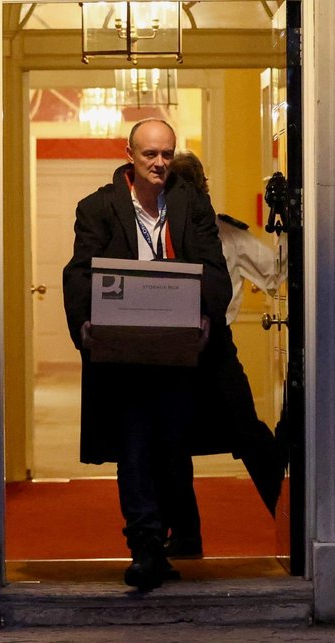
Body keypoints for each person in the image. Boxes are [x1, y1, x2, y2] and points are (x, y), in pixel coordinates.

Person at [62, 119, 232, 591]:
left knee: (173, 450)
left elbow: (213, 270)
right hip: (123, 358)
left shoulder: (191, 204)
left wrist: (205, 317)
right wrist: (84, 325)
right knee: (134, 448)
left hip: (178, 355)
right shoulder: (96, 208)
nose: (159, 163)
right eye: (150, 155)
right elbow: (79, 272)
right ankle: (144, 549)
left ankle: (162, 542)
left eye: (166, 154)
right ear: (130, 155)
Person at [161, 150, 288, 560]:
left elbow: (274, 274)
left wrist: (285, 221)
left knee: (242, 435)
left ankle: (287, 515)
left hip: (212, 349)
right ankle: (186, 537)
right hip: (177, 351)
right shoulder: (154, 236)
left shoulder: (226, 234)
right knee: (176, 442)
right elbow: (274, 273)